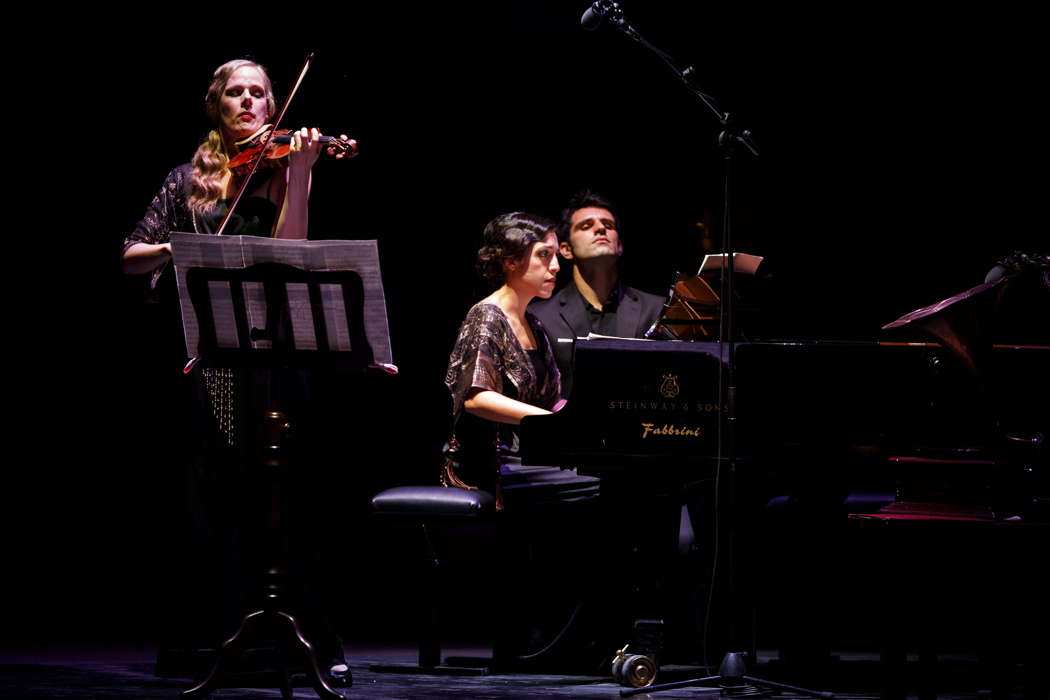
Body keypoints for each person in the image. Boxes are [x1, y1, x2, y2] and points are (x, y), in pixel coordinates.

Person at [122, 59, 354, 686]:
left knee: (285, 496)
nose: (248, 102)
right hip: (207, 361)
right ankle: (208, 640)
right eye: (235, 93)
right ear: (216, 105)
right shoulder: (185, 179)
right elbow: (131, 258)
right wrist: (180, 247)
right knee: (211, 493)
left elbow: (293, 249)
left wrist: (301, 174)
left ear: (273, 106)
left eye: (259, 93)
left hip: (273, 358)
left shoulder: (278, 170)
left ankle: (305, 637)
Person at [529, 190, 665, 398]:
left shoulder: (658, 310)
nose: (601, 229)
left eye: (608, 226)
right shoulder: (539, 316)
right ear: (565, 250)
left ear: (619, 246)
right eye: (586, 226)